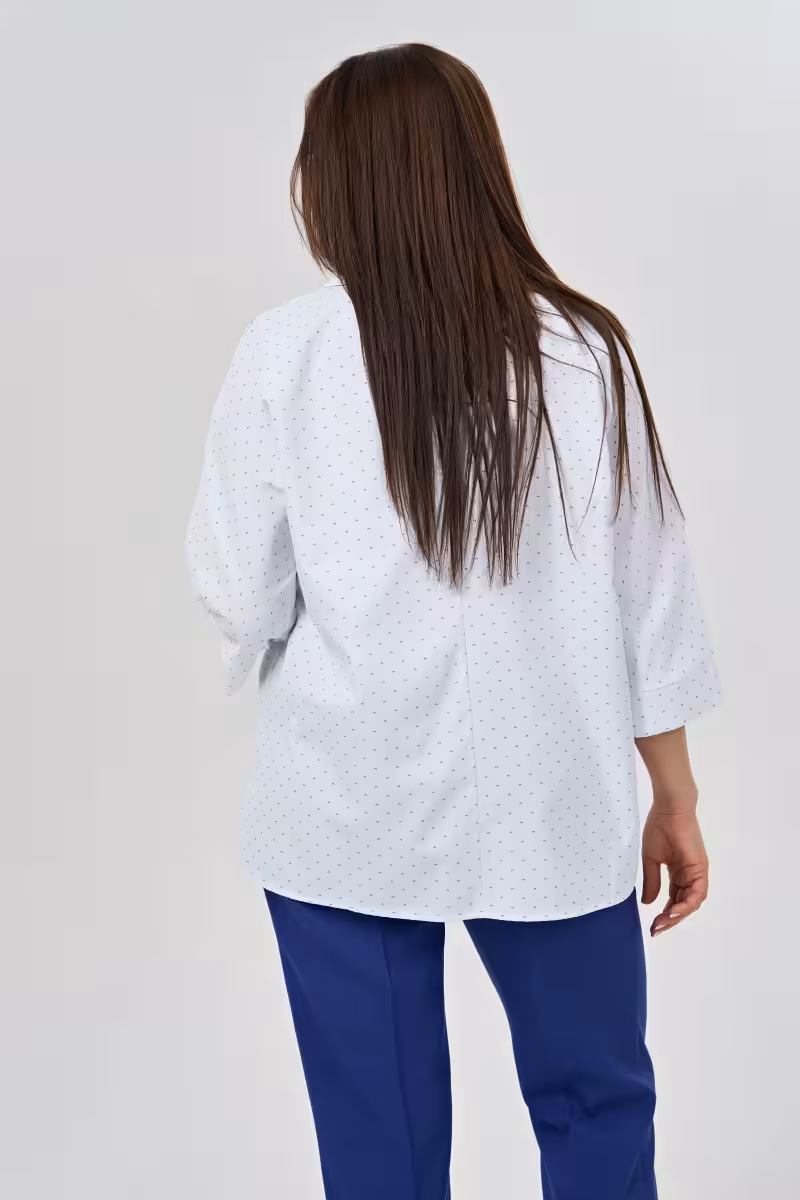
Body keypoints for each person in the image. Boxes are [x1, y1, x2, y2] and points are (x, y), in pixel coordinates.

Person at [185, 42, 721, 1200]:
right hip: (553, 806)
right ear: (474, 165)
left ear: (334, 183)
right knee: (596, 1110)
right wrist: (672, 796)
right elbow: (650, 601)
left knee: (378, 1152)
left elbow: (239, 589)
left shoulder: (285, 355)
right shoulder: (583, 353)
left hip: (344, 808)